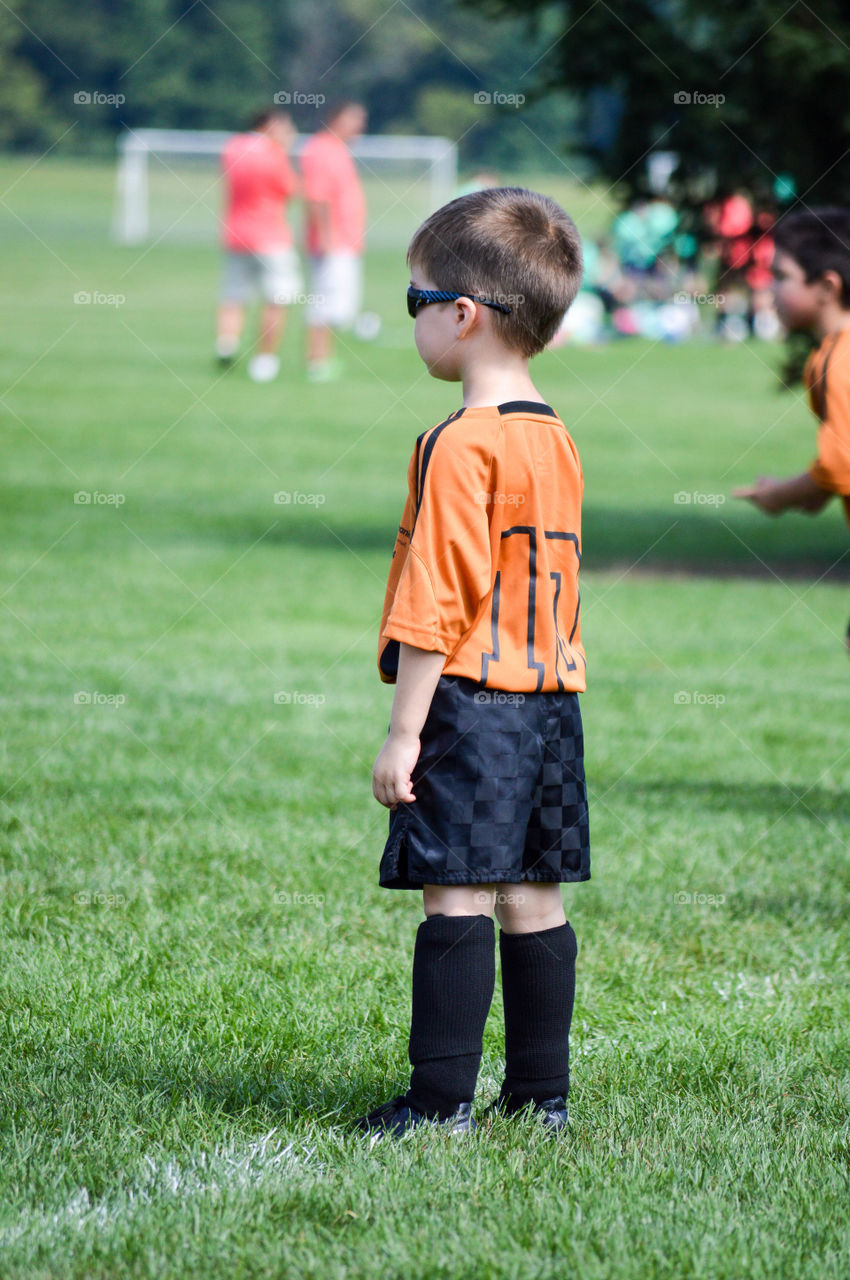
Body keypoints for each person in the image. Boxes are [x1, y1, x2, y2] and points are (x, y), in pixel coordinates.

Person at [352, 187, 589, 1144]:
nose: (413, 321)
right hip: (552, 704)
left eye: (414, 302)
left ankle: (438, 1102)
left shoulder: (458, 444)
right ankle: (542, 1100)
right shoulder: (556, 435)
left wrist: (405, 730)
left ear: (462, 313)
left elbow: (436, 598)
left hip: (472, 700)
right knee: (534, 890)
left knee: (455, 889)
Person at [733, 207, 850, 646]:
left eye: (781, 276)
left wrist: (783, 495)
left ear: (826, 287)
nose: (770, 288)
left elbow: (841, 466)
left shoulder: (841, 361)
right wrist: (806, 491)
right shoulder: (828, 357)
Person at [216, 108, 302, 383]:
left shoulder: (232, 147)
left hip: (236, 233)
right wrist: (284, 151)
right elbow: (291, 189)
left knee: (234, 296)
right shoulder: (273, 154)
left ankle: (226, 343)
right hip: (270, 237)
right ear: (270, 125)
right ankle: (264, 360)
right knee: (276, 299)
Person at [300, 101, 367, 383]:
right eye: (355, 119)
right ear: (337, 119)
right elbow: (317, 196)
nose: (360, 126)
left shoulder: (339, 150)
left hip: (346, 241)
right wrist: (326, 236)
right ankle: (317, 362)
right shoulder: (320, 149)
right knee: (324, 302)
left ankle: (325, 358)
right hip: (333, 241)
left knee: (339, 305)